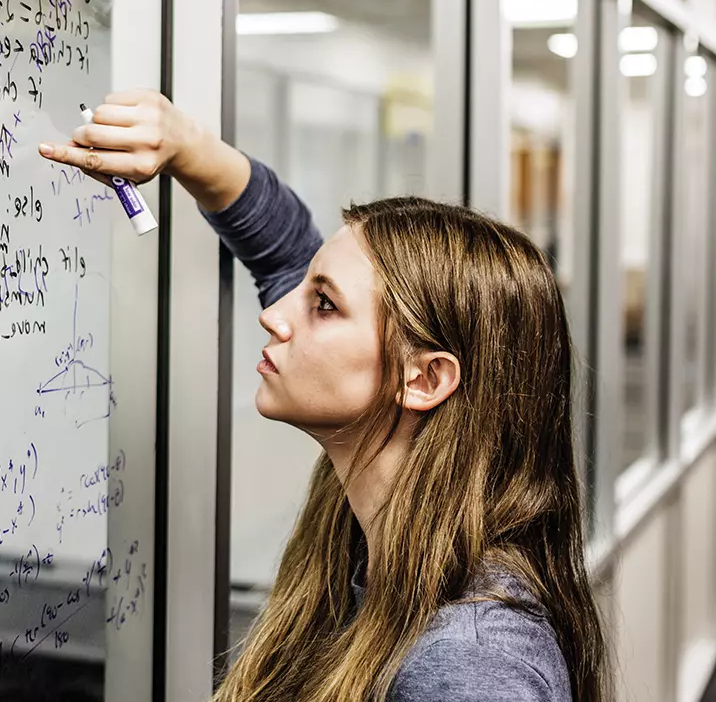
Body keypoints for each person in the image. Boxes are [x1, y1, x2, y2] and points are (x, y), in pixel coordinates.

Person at [41, 91, 607, 702]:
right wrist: (185, 146)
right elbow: (282, 244)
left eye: (324, 303)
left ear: (424, 379)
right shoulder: (392, 542)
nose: (275, 315)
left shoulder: (470, 664)